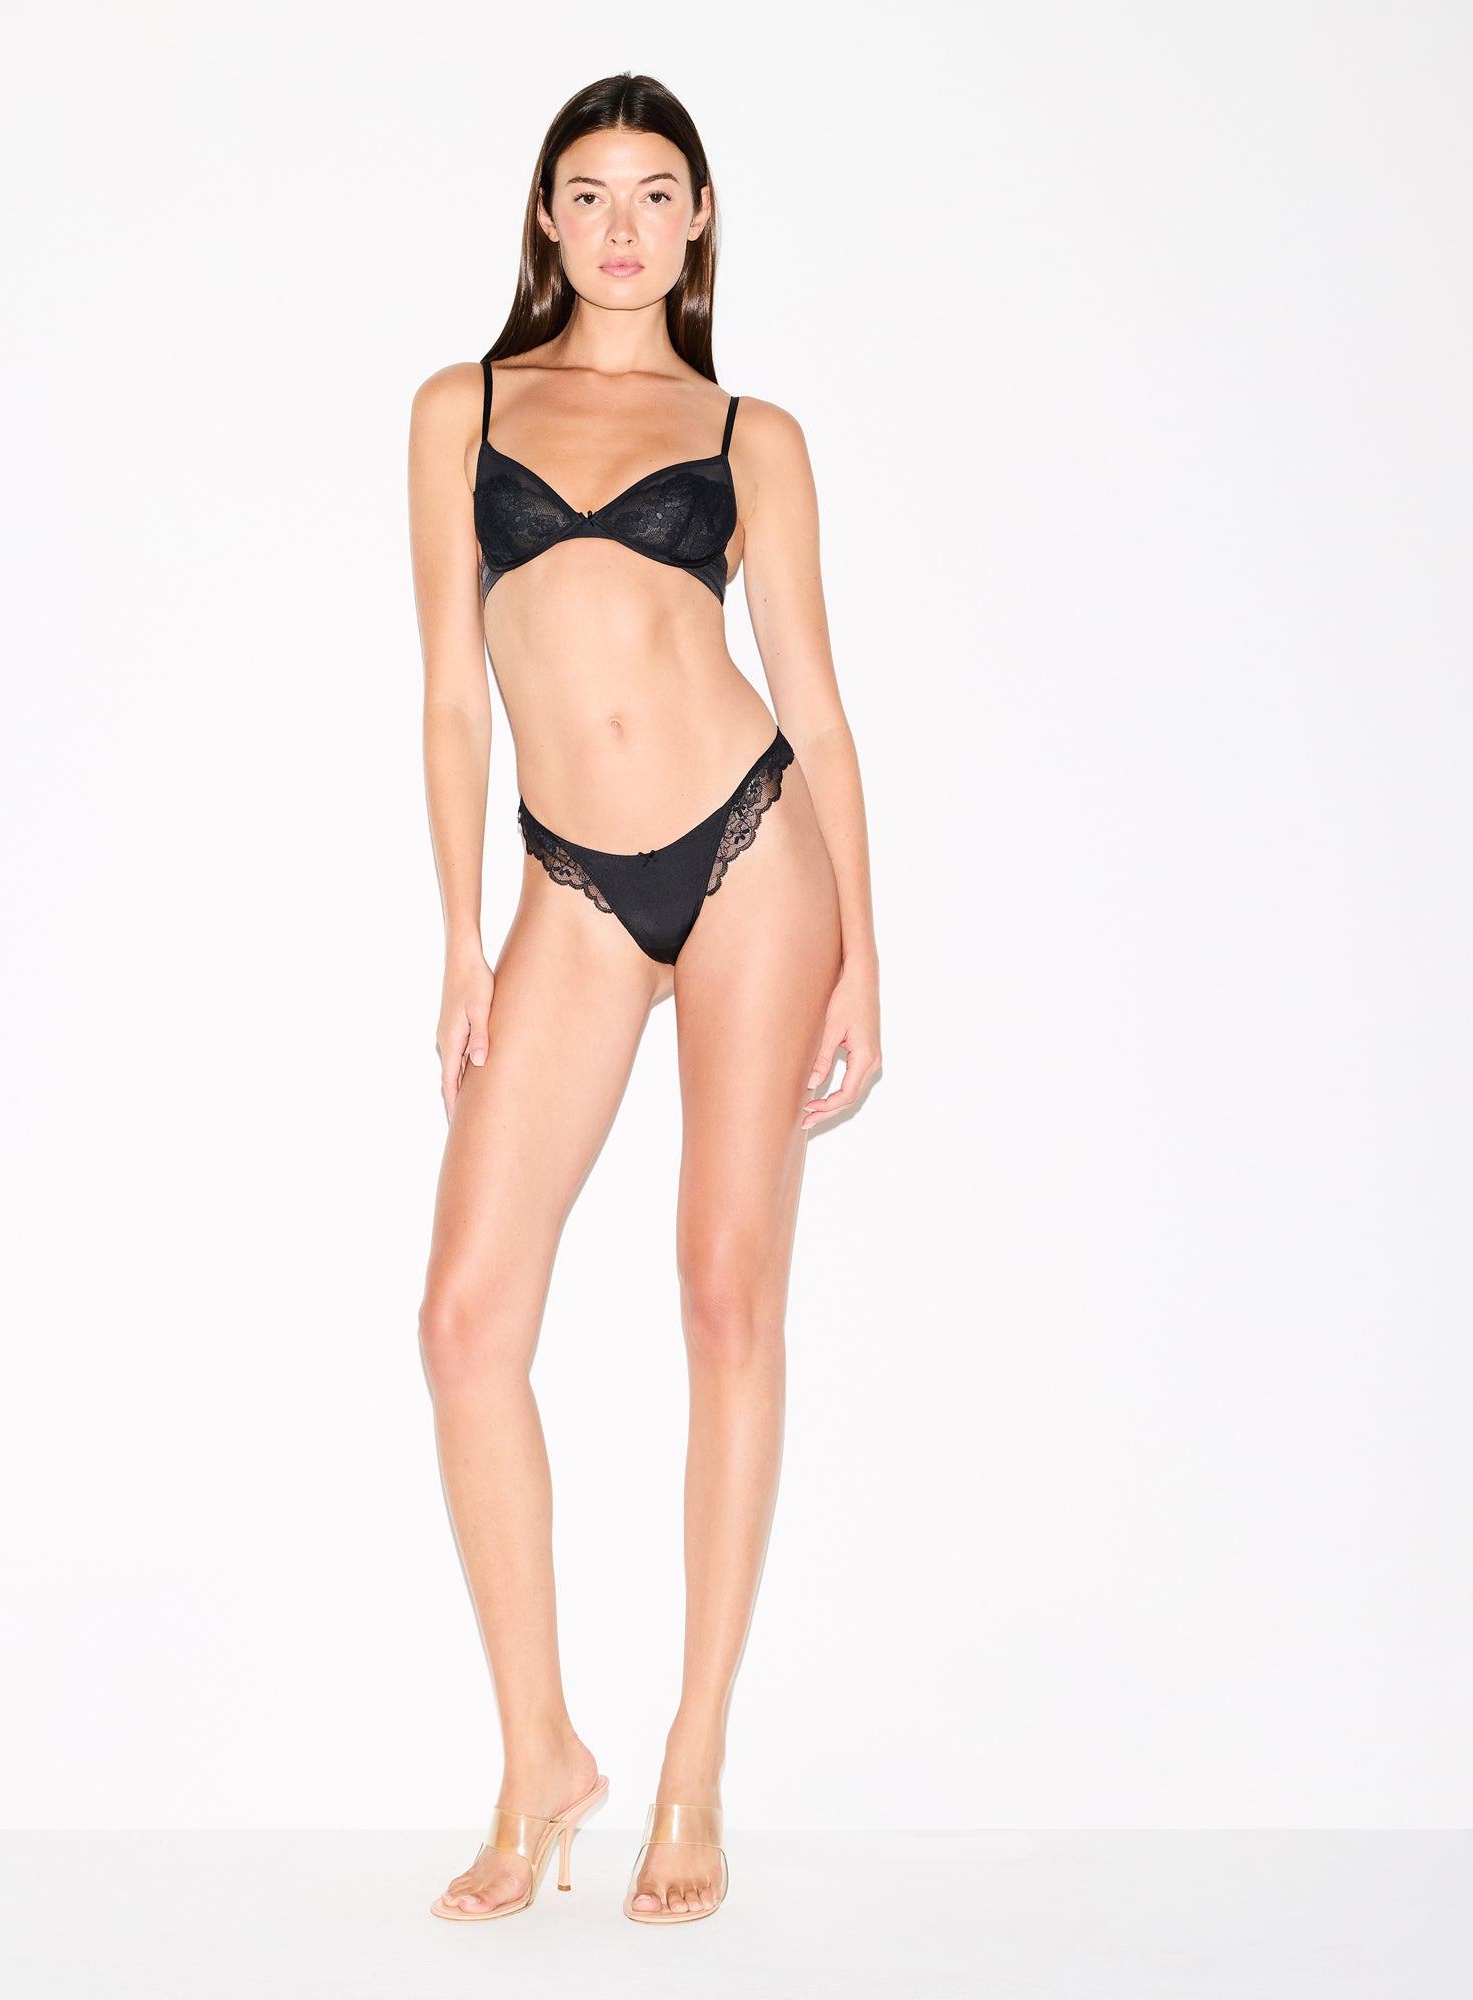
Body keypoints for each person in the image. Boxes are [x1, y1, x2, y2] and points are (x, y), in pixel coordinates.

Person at [408, 72, 882, 1926]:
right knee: (466, 1319)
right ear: (548, 216)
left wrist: (866, 951)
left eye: (654, 192)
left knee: (723, 1290)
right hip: (571, 889)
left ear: (696, 222)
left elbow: (817, 701)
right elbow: (452, 697)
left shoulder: (752, 435)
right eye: (589, 191)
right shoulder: (462, 411)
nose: (621, 225)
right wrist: (461, 936)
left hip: (757, 853)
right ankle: (541, 1751)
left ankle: (693, 1763)